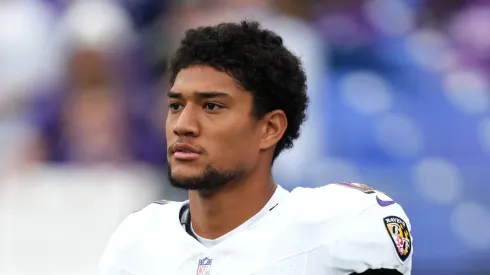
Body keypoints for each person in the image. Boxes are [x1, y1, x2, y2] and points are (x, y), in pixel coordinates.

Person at [98, 21, 413, 275]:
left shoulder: (341, 226)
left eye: (211, 106)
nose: (184, 124)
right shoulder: (138, 240)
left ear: (269, 129)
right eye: (176, 105)